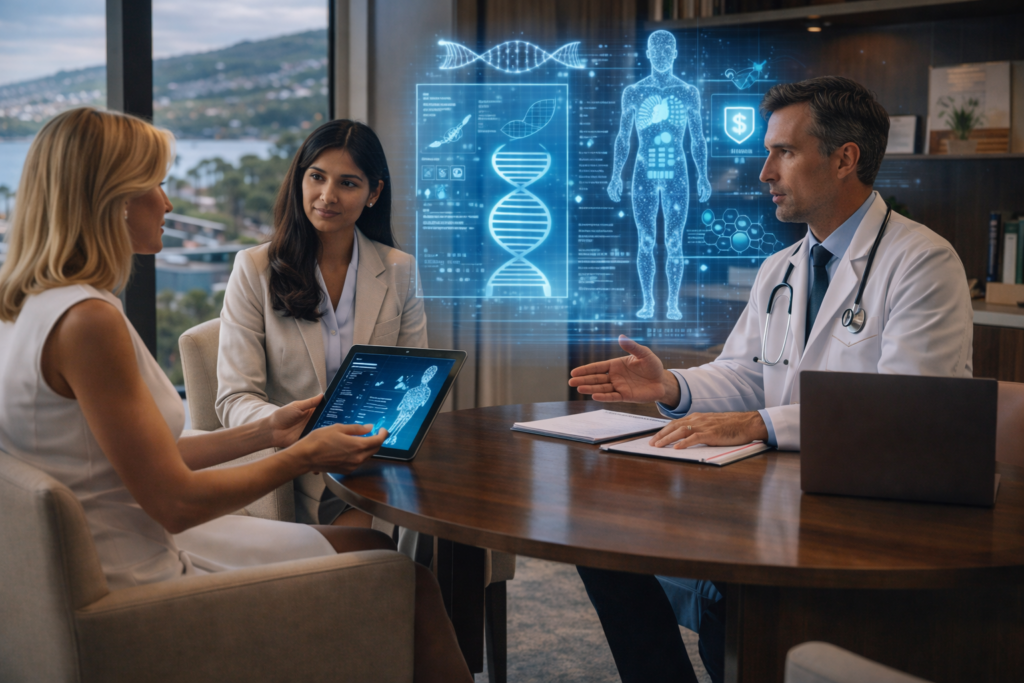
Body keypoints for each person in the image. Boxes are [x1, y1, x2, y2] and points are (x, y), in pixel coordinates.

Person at [0, 107, 471, 682]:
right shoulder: (89, 321)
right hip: (144, 575)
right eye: (158, 184)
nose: (170, 204)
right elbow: (175, 502)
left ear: (372, 194)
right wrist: (302, 454)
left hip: (117, 551)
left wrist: (268, 433)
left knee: (368, 546)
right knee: (405, 576)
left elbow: (137, 459)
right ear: (115, 197)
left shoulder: (28, 307)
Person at [569, 76, 974, 683]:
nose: (764, 171)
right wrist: (671, 388)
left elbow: (908, 412)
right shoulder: (781, 267)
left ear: (845, 159)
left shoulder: (922, 261)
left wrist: (758, 424)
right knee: (601, 545)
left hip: (863, 512)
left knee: (727, 607)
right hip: (776, 496)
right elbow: (747, 373)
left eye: (784, 151)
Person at [216, 119, 427, 529]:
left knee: (446, 534)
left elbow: (416, 378)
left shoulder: (401, 271)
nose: (327, 196)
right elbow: (235, 398)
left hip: (376, 458)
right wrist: (304, 436)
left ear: (373, 193)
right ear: (300, 179)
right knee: (383, 557)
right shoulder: (254, 269)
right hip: (296, 467)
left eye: (348, 183)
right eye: (316, 177)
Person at [607, 29, 711, 321]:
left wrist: (703, 175)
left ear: (675, 54)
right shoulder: (634, 92)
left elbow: (698, 139)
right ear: (649, 54)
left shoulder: (688, 92)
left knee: (675, 240)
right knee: (646, 239)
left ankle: (673, 304)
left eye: (668, 51)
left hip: (678, 170)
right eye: (658, 51)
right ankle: (649, 304)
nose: (663, 57)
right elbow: (623, 137)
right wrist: (616, 174)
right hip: (644, 171)